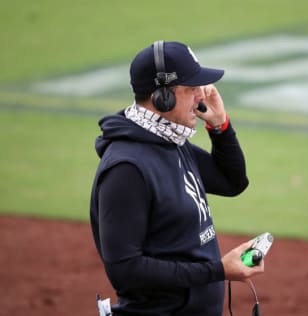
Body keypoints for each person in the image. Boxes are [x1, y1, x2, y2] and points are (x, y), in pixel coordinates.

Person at [89, 40, 264, 315]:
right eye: (192, 88)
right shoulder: (126, 169)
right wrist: (218, 270)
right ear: (163, 97)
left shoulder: (172, 143)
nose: (201, 96)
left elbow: (232, 182)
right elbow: (125, 270)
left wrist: (220, 126)